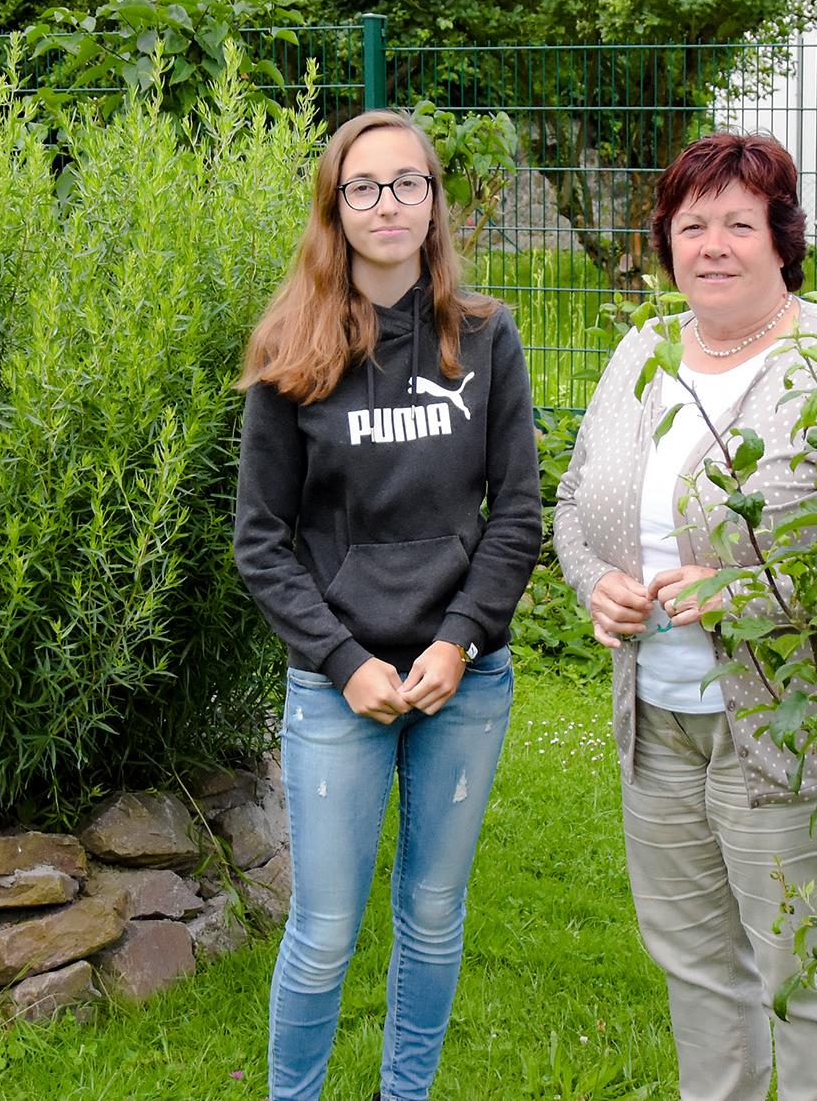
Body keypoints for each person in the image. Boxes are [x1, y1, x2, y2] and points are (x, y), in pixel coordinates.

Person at [552, 132, 817, 1100]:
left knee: (803, 975)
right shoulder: (640, 351)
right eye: (690, 223)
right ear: (667, 241)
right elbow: (572, 501)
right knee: (695, 965)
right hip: (657, 723)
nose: (710, 244)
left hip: (785, 725)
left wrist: (752, 592)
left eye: (737, 224)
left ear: (780, 238)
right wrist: (594, 581)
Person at [233, 109, 543, 1101]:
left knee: (433, 915)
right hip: (339, 687)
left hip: (464, 679)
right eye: (363, 187)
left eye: (407, 183)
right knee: (322, 929)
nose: (387, 204)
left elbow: (517, 515)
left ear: (433, 201)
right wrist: (342, 660)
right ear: (334, 205)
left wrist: (459, 640)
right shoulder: (291, 348)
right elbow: (261, 543)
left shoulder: (486, 338)